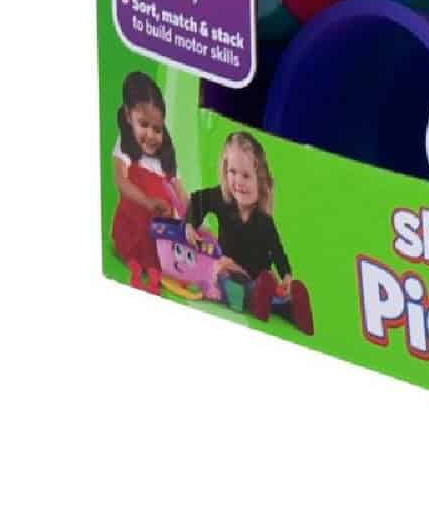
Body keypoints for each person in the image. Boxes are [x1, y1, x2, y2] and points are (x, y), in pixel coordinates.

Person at [185, 131, 314, 332]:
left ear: (260, 183)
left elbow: (277, 250)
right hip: (231, 268)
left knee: (260, 289)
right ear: (224, 171)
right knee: (222, 275)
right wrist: (190, 224)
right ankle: (274, 303)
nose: (238, 181)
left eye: (246, 176)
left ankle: (290, 306)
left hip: (259, 277)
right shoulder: (222, 199)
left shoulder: (263, 220)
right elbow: (197, 201)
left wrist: (287, 276)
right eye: (232, 172)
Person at [110, 69, 185, 291]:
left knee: (165, 257)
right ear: (128, 116)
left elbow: (181, 193)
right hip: (131, 226)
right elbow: (121, 182)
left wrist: (192, 219)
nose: (151, 135)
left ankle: (153, 270)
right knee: (137, 255)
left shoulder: (166, 156)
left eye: (157, 129)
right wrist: (147, 202)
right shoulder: (125, 144)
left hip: (160, 233)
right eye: (143, 125)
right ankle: (136, 266)